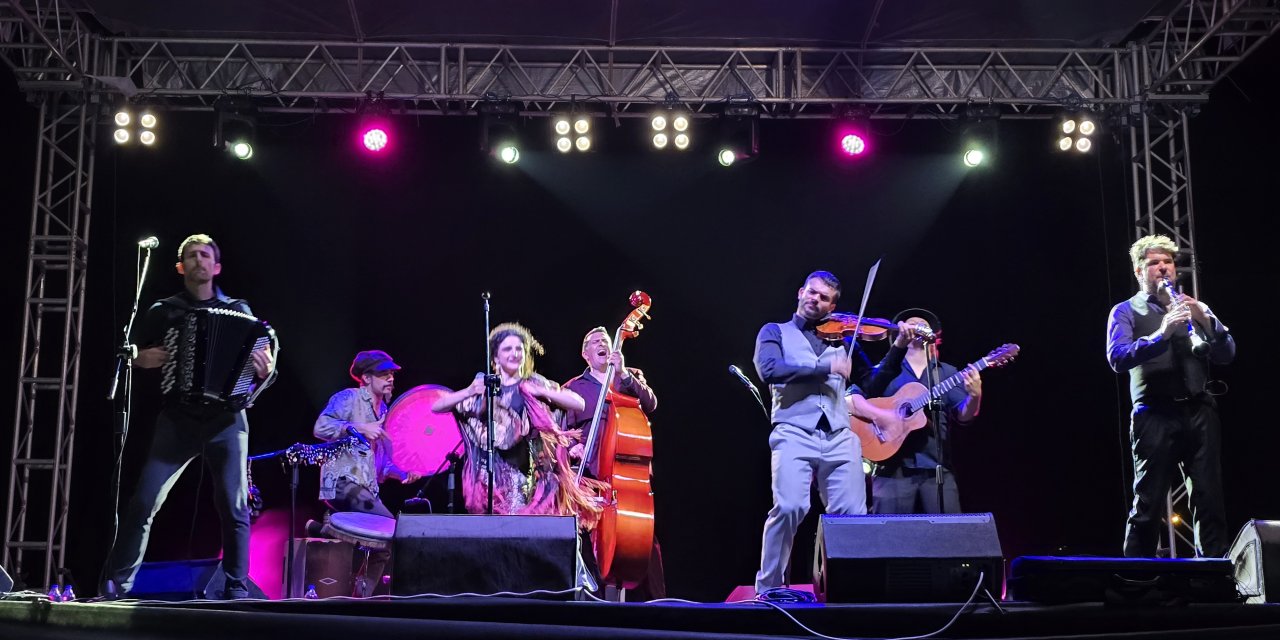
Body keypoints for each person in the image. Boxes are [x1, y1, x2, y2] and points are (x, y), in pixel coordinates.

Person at [104, 233, 275, 599]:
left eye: (205, 255)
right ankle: (117, 586)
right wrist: (139, 358)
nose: (199, 261)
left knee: (234, 504)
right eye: (191, 256)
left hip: (226, 420)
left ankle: (236, 586)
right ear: (181, 267)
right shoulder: (163, 311)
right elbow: (131, 351)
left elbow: (262, 363)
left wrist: (266, 368)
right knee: (143, 502)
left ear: (216, 267)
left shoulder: (240, 312)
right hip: (177, 419)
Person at [753, 270, 920, 594]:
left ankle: (850, 588)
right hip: (793, 430)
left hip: (839, 433)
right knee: (789, 507)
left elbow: (872, 382)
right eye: (812, 293)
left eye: (825, 298)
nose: (816, 299)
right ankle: (769, 587)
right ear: (801, 292)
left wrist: (898, 346)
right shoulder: (775, 332)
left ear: (833, 306)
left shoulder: (844, 339)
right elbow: (770, 370)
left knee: (852, 517)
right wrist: (824, 368)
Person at [1107, 234, 1235, 558]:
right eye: (1154, 263)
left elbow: (1227, 353)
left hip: (1200, 411)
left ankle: (1211, 582)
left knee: (1209, 501)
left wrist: (1205, 320)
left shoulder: (1194, 306)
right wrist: (1161, 333)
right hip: (1153, 414)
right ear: (1139, 272)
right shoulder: (1125, 311)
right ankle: (1137, 585)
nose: (1163, 268)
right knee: (1148, 504)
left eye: (1168, 262)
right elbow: (1117, 358)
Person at [431, 323, 604, 525]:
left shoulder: (533, 382)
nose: (514, 353)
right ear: (495, 357)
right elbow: (437, 406)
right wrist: (469, 391)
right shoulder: (485, 385)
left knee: (517, 528)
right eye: (507, 349)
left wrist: (544, 392)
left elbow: (579, 403)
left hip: (525, 475)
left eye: (518, 349)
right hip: (490, 479)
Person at [562, 327, 664, 599]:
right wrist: (574, 447)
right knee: (587, 541)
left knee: (643, 541)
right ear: (585, 354)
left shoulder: (629, 378)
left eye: (606, 341)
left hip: (625, 479)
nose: (602, 344)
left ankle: (659, 606)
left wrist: (624, 374)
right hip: (590, 477)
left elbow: (650, 403)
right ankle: (589, 601)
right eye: (594, 341)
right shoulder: (573, 388)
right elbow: (560, 434)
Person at [310, 349, 421, 596]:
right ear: (367, 378)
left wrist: (402, 473)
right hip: (340, 482)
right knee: (391, 527)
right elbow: (321, 426)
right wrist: (357, 427)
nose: (391, 378)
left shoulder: (384, 413)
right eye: (384, 374)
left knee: (385, 545)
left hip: (366, 489)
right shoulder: (349, 398)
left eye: (392, 374)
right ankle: (330, 530)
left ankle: (359, 595)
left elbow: (380, 466)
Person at [867, 309, 981, 514]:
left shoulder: (948, 372)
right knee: (888, 538)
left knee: (948, 536)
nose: (918, 324)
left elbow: (963, 417)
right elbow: (863, 398)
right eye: (912, 322)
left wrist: (974, 397)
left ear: (934, 335)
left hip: (937, 468)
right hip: (891, 468)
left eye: (924, 323)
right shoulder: (886, 369)